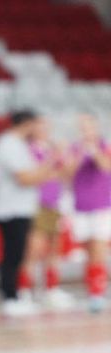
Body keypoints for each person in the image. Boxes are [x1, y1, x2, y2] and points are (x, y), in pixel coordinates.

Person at [0, 110, 63, 317]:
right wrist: (50, 162)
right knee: (13, 254)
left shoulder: (17, 144)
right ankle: (10, 297)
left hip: (20, 207)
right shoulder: (8, 144)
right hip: (10, 208)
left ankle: (14, 296)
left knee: (17, 253)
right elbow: (25, 178)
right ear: (26, 124)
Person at [19, 118, 73, 310]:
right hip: (37, 205)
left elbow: (64, 174)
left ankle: (51, 290)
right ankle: (24, 291)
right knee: (33, 250)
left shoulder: (51, 150)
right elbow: (36, 174)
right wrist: (53, 163)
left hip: (55, 204)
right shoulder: (28, 150)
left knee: (54, 250)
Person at [66, 114, 111, 313]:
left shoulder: (105, 145)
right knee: (88, 251)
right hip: (81, 207)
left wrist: (95, 152)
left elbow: (106, 167)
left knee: (98, 250)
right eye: (83, 128)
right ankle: (92, 291)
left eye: (89, 127)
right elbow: (67, 173)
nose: (86, 131)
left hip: (102, 206)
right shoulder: (74, 149)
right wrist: (81, 154)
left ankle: (98, 293)